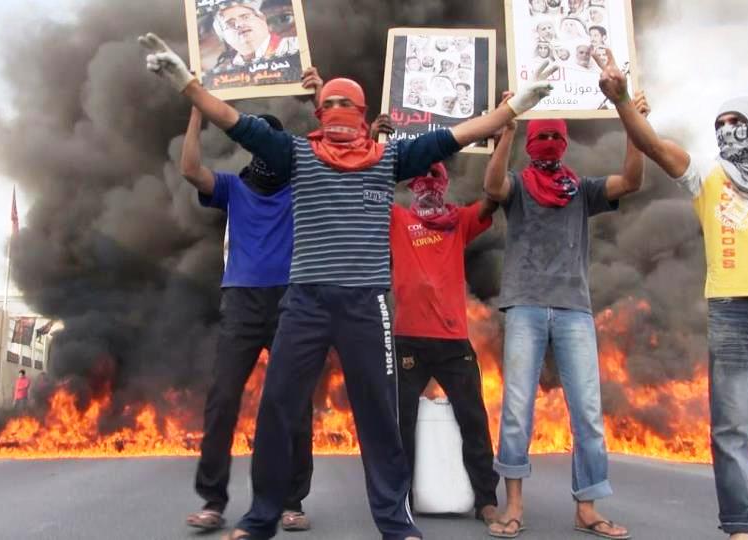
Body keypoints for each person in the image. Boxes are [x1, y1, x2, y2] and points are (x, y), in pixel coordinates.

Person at [138, 33, 558, 540]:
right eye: (329, 104)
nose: (337, 111)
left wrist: (513, 108)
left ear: (362, 113)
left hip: (366, 305)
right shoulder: (295, 153)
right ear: (318, 112)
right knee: (277, 409)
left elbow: (456, 135)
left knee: (379, 415)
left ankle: (395, 523)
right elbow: (234, 121)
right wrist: (187, 85)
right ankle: (260, 517)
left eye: (347, 104)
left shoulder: (389, 158)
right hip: (305, 303)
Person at [595, 48, 748, 540]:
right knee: (731, 429)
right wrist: (623, 101)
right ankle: (740, 528)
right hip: (735, 314)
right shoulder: (705, 175)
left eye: (737, 121)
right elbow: (652, 145)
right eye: (720, 124)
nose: (727, 130)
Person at [482, 88, 649, 539]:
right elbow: (492, 187)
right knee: (517, 410)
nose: (550, 143)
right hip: (525, 306)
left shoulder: (582, 191)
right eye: (543, 137)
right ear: (531, 143)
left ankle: (587, 508)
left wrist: (634, 129)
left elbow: (631, 182)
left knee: (588, 413)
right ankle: (513, 506)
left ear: (566, 143)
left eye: (557, 136)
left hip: (574, 309)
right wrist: (507, 132)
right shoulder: (518, 185)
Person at [179, 77, 323, 530]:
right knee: (222, 399)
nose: (264, 153)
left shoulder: (300, 188)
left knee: (295, 403)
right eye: (256, 143)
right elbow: (190, 169)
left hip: (290, 302)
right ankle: (213, 501)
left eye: (271, 143)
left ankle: (292, 502)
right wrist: (197, 107)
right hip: (241, 302)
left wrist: (318, 98)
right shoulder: (233, 188)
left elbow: (333, 157)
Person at [388, 154, 501, 529]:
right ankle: (399, 499)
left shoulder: (459, 222)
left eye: (435, 176)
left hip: (453, 342)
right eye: (420, 178)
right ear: (410, 185)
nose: (428, 184)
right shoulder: (398, 219)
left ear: (445, 183)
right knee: (400, 425)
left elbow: (493, 197)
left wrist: (503, 136)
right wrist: (377, 143)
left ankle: (486, 500)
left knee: (473, 420)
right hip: (408, 341)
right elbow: (367, 190)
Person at [210, 0, 298, 72]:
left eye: (245, 17)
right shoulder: (225, 70)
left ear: (262, 19)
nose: (239, 24)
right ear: (223, 37)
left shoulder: (296, 46)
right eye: (230, 23)